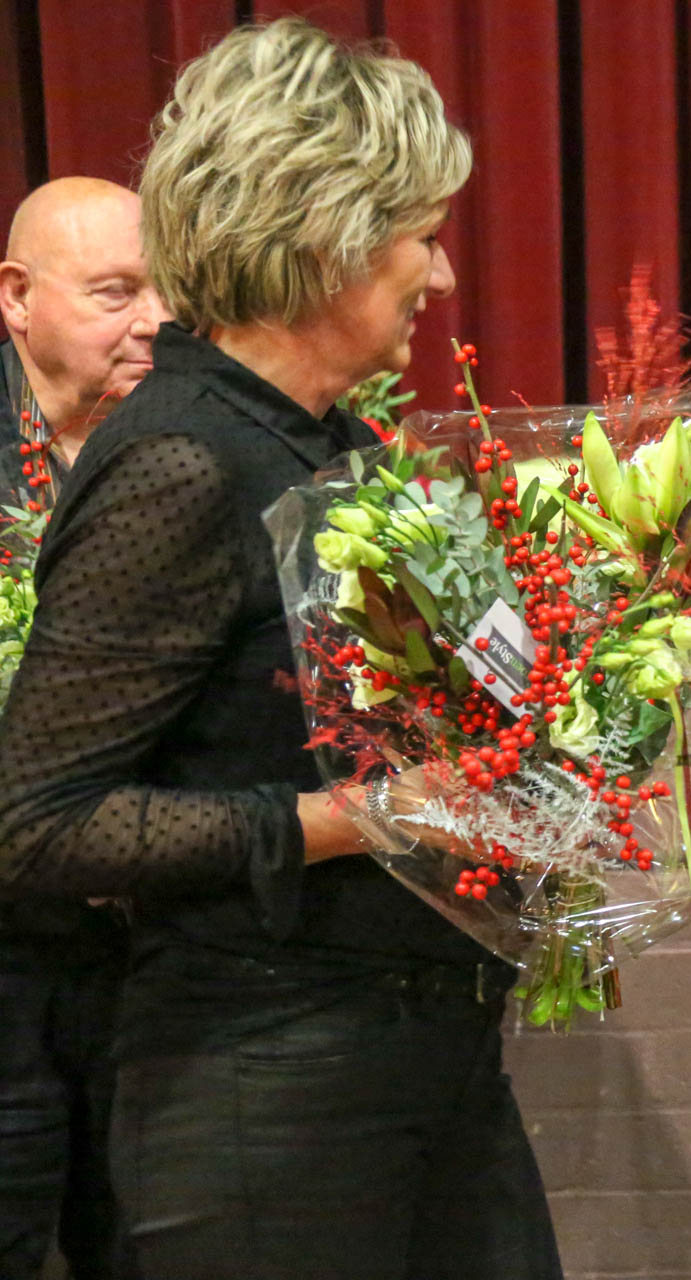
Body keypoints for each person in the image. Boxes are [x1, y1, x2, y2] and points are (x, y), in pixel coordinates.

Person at [0, 20, 561, 1280]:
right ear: (325, 240)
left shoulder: (345, 447)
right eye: (420, 233)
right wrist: (359, 817)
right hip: (266, 1089)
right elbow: (36, 822)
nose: (442, 275)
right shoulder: (182, 458)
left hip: (426, 1057)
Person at [0, 176, 164, 1280]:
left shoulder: (177, 439)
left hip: (144, 953)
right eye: (115, 292)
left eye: (162, 292)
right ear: (18, 297)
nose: (151, 321)